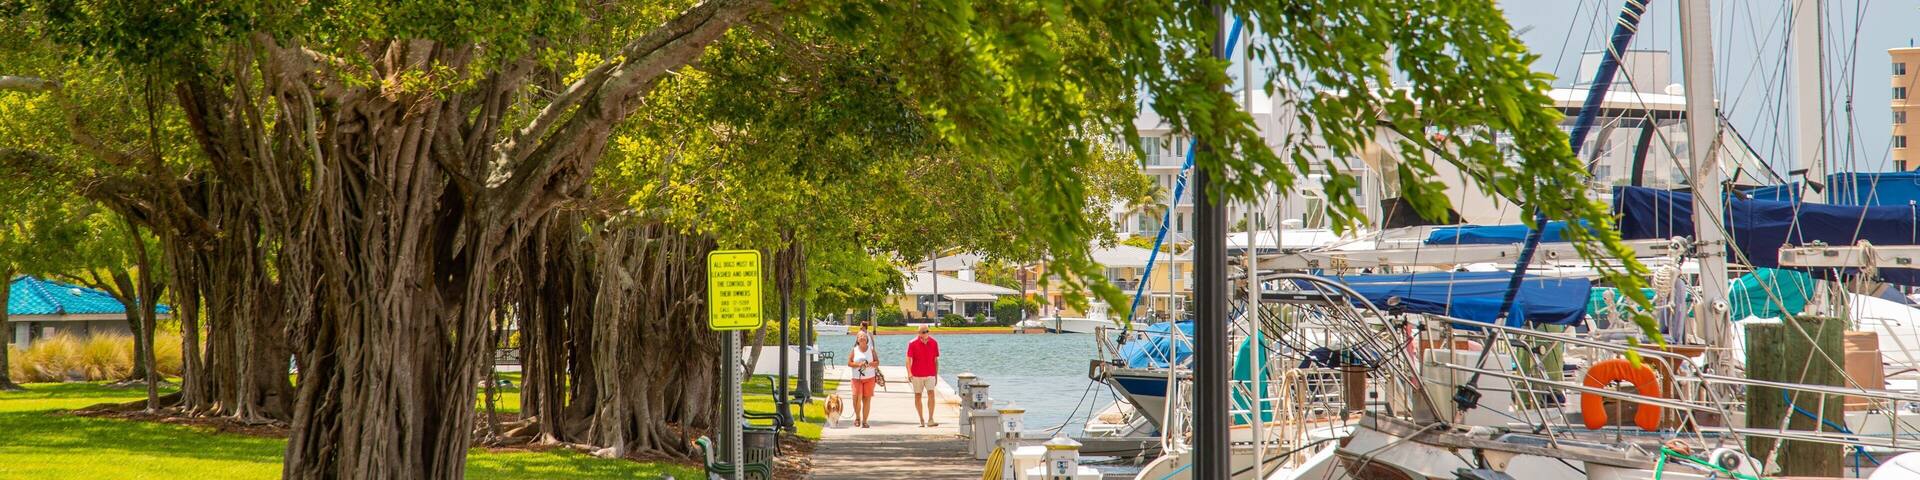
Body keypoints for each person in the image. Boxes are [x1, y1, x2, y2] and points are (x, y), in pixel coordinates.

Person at [904, 325, 941, 427]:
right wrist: (909, 373)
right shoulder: (912, 343)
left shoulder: (934, 343)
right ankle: (921, 419)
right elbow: (908, 360)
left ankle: (931, 419)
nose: (926, 333)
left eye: (927, 331)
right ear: (919, 333)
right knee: (918, 395)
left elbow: (935, 360)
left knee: (931, 394)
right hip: (917, 374)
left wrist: (936, 375)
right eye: (923, 332)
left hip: (930, 373)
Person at [847, 333, 879, 428]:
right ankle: (857, 418)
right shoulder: (854, 350)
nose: (862, 338)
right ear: (857, 339)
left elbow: (877, 362)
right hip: (856, 378)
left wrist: (870, 364)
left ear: (867, 339)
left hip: (869, 378)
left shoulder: (871, 349)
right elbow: (849, 363)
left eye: (864, 336)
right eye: (860, 337)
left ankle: (864, 421)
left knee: (866, 399)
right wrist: (858, 364)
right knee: (856, 398)